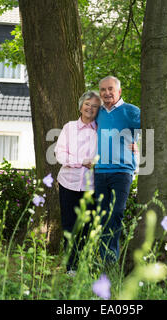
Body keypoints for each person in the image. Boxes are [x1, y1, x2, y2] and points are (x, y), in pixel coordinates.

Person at [94, 76, 141, 265]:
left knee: (116, 213)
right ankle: (103, 257)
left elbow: (150, 129)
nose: (107, 93)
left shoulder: (131, 111)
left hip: (122, 171)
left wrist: (138, 144)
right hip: (100, 170)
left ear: (119, 91)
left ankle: (111, 259)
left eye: (110, 89)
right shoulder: (98, 113)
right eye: (103, 90)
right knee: (102, 214)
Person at [55, 91, 101, 274]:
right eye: (87, 104)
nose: (90, 108)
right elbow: (60, 155)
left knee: (89, 226)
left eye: (95, 106)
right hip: (69, 183)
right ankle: (71, 267)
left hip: (92, 186)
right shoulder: (69, 128)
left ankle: (86, 265)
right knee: (70, 225)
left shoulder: (101, 130)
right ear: (81, 106)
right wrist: (81, 161)